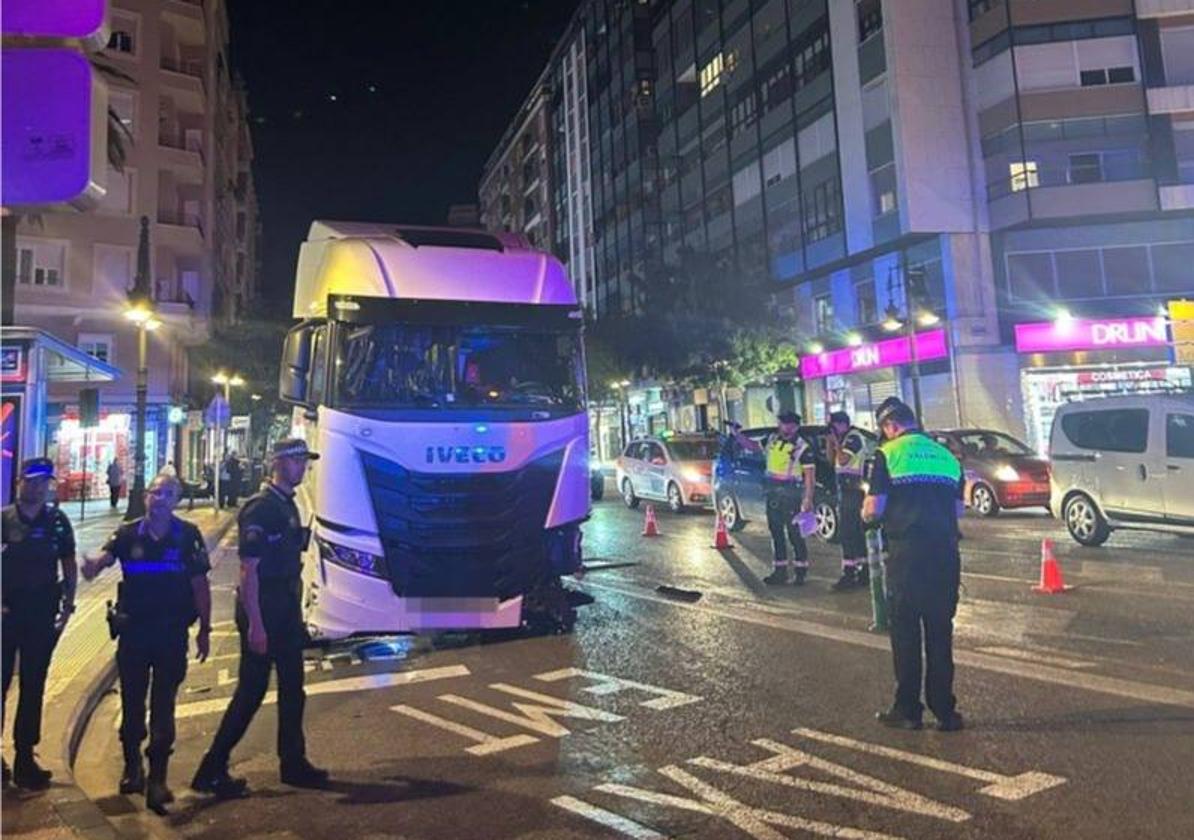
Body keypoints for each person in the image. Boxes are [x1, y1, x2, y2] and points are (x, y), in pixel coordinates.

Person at [191, 438, 327, 797]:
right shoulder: (261, 508)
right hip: (264, 606)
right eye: (297, 460)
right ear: (278, 463)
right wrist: (256, 625)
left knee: (293, 689)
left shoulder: (287, 504)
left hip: (283, 605)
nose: (303, 467)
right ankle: (212, 768)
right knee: (250, 693)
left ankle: (293, 763)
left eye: (304, 461)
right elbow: (248, 571)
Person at [82, 473, 211, 814]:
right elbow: (104, 558)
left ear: (177, 500)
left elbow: (200, 585)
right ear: (146, 497)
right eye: (156, 492)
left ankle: (158, 778)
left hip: (170, 634)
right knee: (133, 703)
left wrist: (205, 629)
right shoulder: (128, 533)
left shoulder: (188, 536)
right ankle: (132, 767)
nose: (161, 498)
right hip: (135, 634)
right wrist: (91, 564)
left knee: (164, 705)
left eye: (169, 493)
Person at [863, 398, 966, 732]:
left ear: (890, 426)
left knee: (906, 632)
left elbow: (874, 508)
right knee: (940, 631)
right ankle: (945, 711)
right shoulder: (946, 456)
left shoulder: (888, 454)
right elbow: (958, 511)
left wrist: (866, 517)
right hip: (946, 554)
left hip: (908, 555)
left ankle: (908, 710)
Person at [1, 458, 78, 789]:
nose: (37, 486)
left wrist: (69, 604)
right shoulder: (4, 520)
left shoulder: (57, 521)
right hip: (5, 614)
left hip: (41, 613)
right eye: (31, 480)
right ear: (20, 482)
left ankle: (24, 757)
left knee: (34, 685)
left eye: (43, 481)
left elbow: (69, 563)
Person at [733, 412, 816, 585]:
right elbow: (753, 446)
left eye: (789, 424)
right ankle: (780, 572)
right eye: (783, 424)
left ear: (796, 426)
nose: (786, 427)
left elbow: (809, 475)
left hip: (791, 493)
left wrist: (807, 498)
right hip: (772, 493)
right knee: (776, 533)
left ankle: (800, 572)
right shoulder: (772, 440)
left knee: (795, 535)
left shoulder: (802, 447)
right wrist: (737, 435)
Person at [828, 411, 870, 592]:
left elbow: (843, 460)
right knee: (852, 532)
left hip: (853, 491)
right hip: (845, 490)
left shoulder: (853, 438)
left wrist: (836, 443)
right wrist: (829, 443)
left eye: (834, 426)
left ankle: (852, 572)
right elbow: (832, 461)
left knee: (849, 532)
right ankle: (861, 570)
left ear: (842, 424)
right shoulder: (843, 439)